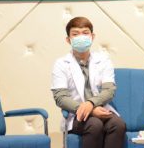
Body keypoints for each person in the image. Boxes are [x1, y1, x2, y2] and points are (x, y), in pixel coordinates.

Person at [51, 16, 126, 148]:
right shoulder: (61, 64)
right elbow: (60, 98)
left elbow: (109, 90)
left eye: (85, 33)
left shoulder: (103, 60)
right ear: (68, 39)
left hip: (100, 108)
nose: (81, 37)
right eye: (75, 34)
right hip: (76, 114)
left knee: (118, 124)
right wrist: (87, 110)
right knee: (94, 124)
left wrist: (91, 104)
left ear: (92, 36)